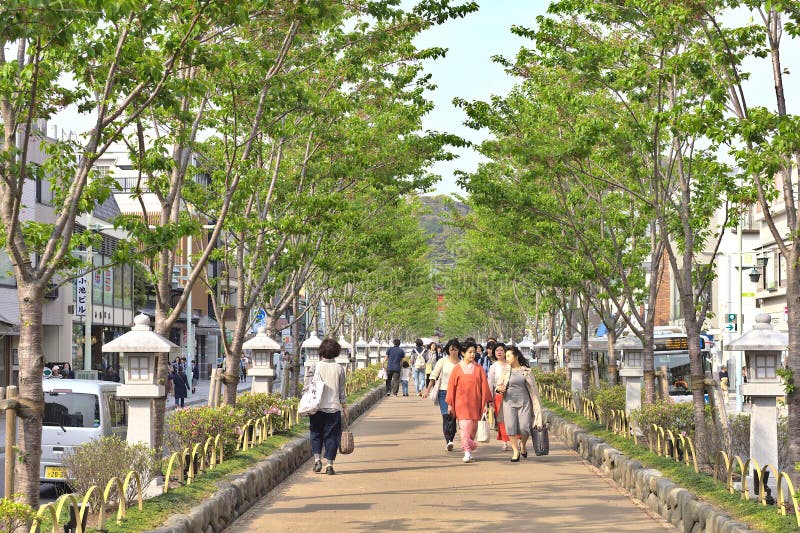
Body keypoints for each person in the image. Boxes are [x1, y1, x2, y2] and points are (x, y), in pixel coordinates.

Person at [305, 337, 347, 475]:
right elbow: (342, 390)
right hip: (334, 408)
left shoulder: (315, 366)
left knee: (316, 433)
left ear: (321, 351)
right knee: (332, 436)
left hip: (316, 408)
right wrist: (344, 407)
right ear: (336, 352)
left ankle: (317, 460)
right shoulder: (340, 369)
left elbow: (307, 387)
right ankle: (329, 465)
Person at [445, 339, 493, 463]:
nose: (472, 354)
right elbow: (451, 387)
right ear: (463, 353)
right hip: (461, 404)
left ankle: (469, 449)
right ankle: (467, 451)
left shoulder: (479, 369)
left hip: (475, 404)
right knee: (464, 429)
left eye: (473, 352)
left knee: (471, 430)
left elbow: (484, 387)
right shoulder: (457, 369)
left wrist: (486, 403)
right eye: (469, 352)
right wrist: (450, 403)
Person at [496, 347, 544, 462]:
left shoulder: (526, 371)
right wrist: (499, 389)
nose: (506, 358)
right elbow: (498, 385)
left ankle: (522, 444)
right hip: (508, 402)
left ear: (516, 356)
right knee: (511, 427)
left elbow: (534, 390)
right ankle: (515, 451)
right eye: (505, 356)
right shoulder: (505, 371)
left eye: (508, 356)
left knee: (524, 428)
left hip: (524, 402)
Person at [425, 338, 461, 451]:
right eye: (451, 349)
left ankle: (451, 437)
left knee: (454, 417)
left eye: (455, 350)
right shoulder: (442, 361)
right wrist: (427, 390)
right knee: (446, 416)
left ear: (459, 350)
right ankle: (448, 441)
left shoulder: (461, 363)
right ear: (448, 350)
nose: (453, 352)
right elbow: (434, 375)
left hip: (458, 393)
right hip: (443, 392)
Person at [487, 342, 510, 451]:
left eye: (501, 350)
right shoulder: (493, 367)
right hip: (498, 396)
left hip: (512, 395)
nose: (499, 352)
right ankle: (505, 442)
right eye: (497, 350)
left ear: (505, 352)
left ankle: (517, 439)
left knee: (513, 418)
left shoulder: (511, 364)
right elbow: (490, 384)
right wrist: (489, 400)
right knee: (502, 419)